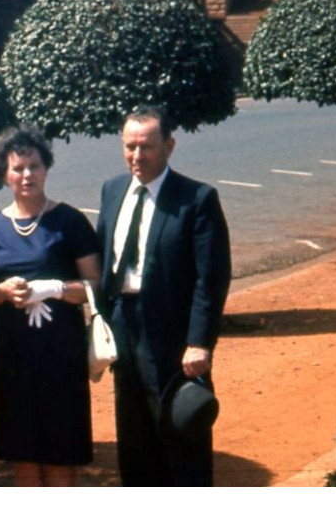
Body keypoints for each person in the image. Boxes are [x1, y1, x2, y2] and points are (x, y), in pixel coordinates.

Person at [94, 107, 231, 486]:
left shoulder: (197, 199)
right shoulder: (112, 190)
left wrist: (200, 342)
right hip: (124, 323)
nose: (137, 156)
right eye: (130, 146)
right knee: (134, 436)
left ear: (169, 146)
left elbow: (212, 277)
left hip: (173, 334)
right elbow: (102, 259)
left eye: (147, 147)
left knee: (181, 428)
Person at [0, 126, 101, 485]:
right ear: (5, 174)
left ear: (46, 168)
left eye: (34, 166)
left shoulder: (69, 221)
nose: (27, 175)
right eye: (18, 168)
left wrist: (56, 288)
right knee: (23, 458)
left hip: (61, 357)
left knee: (60, 455)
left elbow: (97, 286)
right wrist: (3, 292)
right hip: (14, 358)